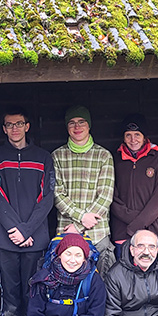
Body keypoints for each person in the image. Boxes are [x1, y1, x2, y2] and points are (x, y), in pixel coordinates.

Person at [0, 106, 55, 316]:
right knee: (10, 297)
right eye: (9, 124)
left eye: (19, 124)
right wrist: (16, 231)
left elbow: (46, 198)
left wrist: (27, 230)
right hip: (5, 242)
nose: (14, 128)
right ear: (4, 129)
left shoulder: (43, 157)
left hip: (36, 241)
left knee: (35, 294)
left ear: (27, 126)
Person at [52, 105, 115, 273]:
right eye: (72, 123)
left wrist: (79, 226)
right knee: (68, 286)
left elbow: (105, 196)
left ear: (89, 125)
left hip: (98, 234)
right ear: (67, 127)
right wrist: (81, 217)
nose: (77, 127)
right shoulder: (57, 156)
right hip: (66, 233)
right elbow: (57, 194)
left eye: (81, 122)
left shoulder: (103, 155)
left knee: (101, 286)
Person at [110, 113, 158, 259]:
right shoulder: (115, 160)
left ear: (144, 137)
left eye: (137, 134)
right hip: (123, 230)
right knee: (125, 275)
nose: (133, 139)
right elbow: (111, 196)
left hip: (153, 229)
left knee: (152, 274)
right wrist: (135, 222)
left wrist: (139, 223)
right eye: (128, 135)